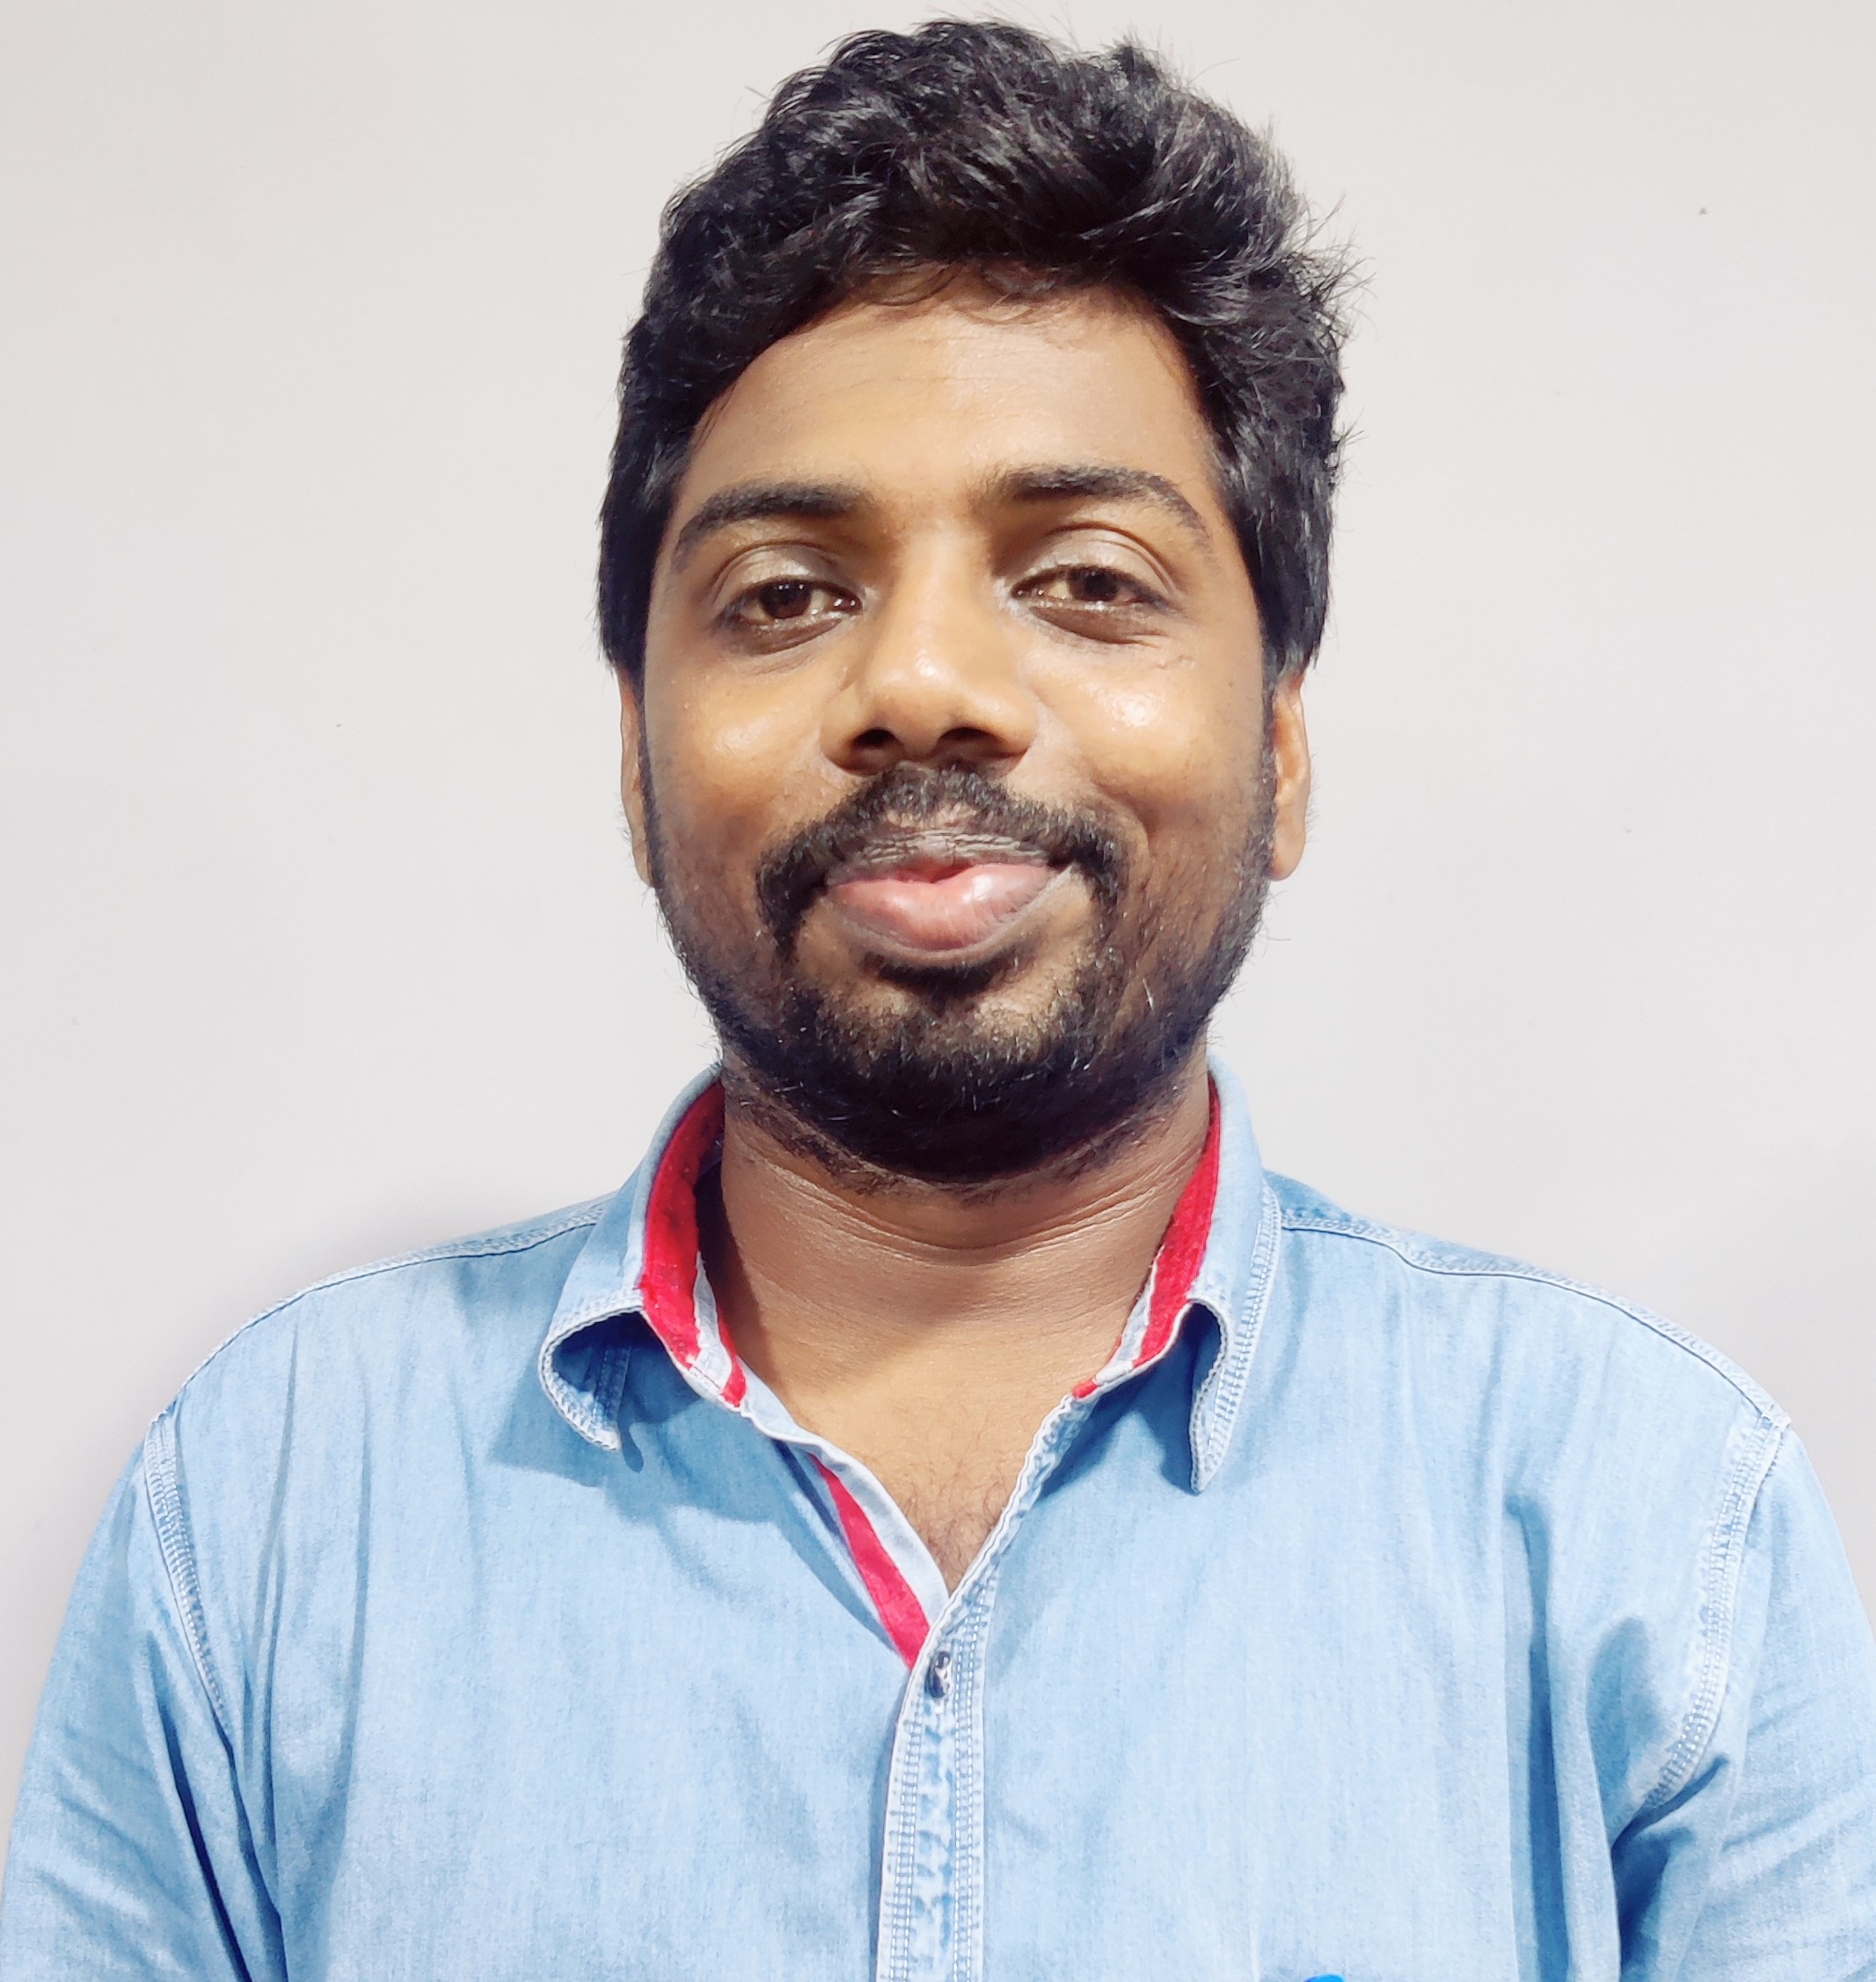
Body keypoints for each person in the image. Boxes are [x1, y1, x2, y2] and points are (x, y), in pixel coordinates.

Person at [4, 19, 1872, 1978]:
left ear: (1280, 740)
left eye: (1084, 578)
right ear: (636, 756)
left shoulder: (1655, 1526)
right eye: (787, 594)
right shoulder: (271, 1508)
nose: (922, 685)